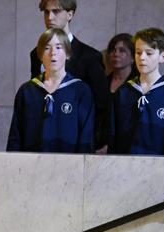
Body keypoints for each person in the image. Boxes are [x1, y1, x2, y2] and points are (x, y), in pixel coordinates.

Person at [28, 1, 109, 151]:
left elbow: (102, 105)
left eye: (56, 12)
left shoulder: (89, 56)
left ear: (69, 14)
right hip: (41, 141)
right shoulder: (36, 54)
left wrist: (96, 143)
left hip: (76, 141)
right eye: (46, 12)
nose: (50, 17)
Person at [8, 28, 94, 153]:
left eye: (59, 48)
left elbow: (86, 135)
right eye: (47, 48)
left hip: (69, 164)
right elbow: (16, 135)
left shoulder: (80, 91)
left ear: (68, 53)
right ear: (40, 55)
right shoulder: (27, 91)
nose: (53, 53)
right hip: (31, 164)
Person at [108, 28, 164, 156]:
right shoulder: (124, 92)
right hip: (125, 168)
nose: (142, 58)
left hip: (161, 169)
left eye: (149, 53)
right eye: (138, 52)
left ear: (163, 57)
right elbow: (114, 137)